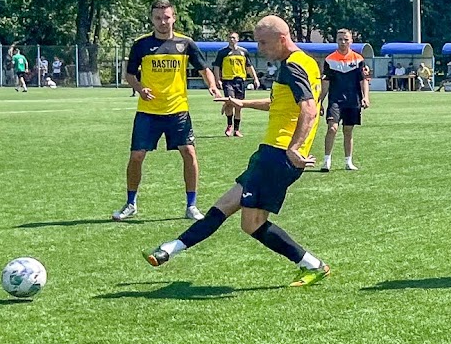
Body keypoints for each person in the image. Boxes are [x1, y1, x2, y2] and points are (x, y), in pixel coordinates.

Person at [142, 15, 331, 287]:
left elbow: (310, 109)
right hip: (270, 153)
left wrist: (294, 147)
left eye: (264, 43)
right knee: (226, 206)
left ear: (282, 38)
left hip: (278, 155)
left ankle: (313, 265)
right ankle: (168, 250)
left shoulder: (293, 66)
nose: (261, 49)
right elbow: (279, 104)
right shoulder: (306, 63)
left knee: (250, 223)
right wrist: (240, 102)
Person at [112, 0, 219, 222]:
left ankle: (191, 206)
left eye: (167, 17)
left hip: (178, 110)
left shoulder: (185, 43)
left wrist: (212, 85)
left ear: (174, 17)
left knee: (189, 153)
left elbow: (204, 68)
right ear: (152, 19)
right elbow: (129, 75)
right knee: (136, 156)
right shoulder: (141, 45)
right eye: (158, 18)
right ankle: (131, 203)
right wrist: (140, 89)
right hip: (148, 111)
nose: (163, 22)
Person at [318, 28, 370, 172]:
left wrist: (366, 97)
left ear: (351, 41)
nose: (343, 42)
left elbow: (363, 80)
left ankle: (348, 162)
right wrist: (320, 101)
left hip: (353, 100)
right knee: (332, 128)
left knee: (348, 131)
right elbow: (326, 83)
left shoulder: (358, 59)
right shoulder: (330, 60)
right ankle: (326, 161)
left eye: (346, 39)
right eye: (340, 39)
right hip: (335, 100)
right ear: (336, 40)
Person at [213, 32, 260, 137]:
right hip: (228, 80)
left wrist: (255, 78)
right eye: (229, 37)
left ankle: (237, 130)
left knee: (239, 104)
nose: (231, 39)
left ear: (237, 39)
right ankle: (229, 126)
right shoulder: (222, 52)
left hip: (240, 81)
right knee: (230, 101)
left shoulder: (243, 52)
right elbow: (216, 67)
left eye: (233, 37)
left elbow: (249, 66)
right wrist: (218, 79)